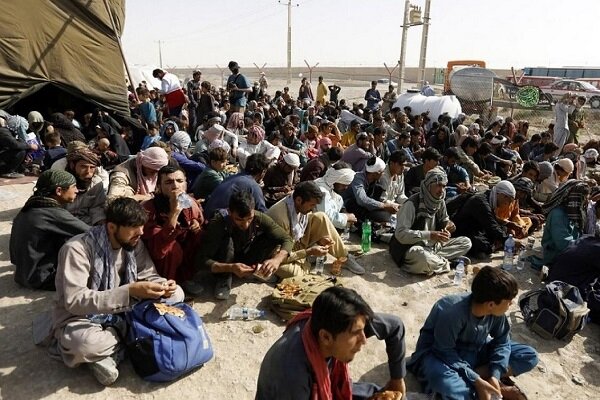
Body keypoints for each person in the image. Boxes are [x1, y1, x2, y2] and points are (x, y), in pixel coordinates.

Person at [49, 197, 184, 385]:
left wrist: (163, 286)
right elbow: (75, 301)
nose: (141, 232)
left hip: (126, 308)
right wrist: (128, 292)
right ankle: (133, 334)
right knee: (84, 345)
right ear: (112, 227)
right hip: (83, 316)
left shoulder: (134, 242)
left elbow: (148, 274)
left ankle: (115, 346)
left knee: (177, 294)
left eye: (141, 226)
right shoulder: (77, 249)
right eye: (134, 227)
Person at [407, 266, 538, 400]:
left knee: (528, 355)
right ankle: (487, 388)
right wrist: (476, 380)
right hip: (438, 356)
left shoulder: (495, 312)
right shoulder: (451, 311)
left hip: (474, 351)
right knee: (449, 387)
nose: (511, 303)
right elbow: (444, 351)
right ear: (491, 304)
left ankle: (483, 383)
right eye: (509, 301)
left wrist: (495, 374)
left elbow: (502, 342)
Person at [256, 286, 407, 400]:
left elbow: (395, 326)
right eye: (356, 334)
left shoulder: (346, 322)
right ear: (326, 337)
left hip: (329, 386)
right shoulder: (292, 374)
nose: (364, 340)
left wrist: (397, 379)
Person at [196, 190, 293, 300]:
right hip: (224, 260)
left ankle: (255, 271)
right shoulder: (218, 223)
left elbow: (286, 239)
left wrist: (277, 260)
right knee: (227, 243)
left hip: (243, 253)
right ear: (230, 212)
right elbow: (201, 261)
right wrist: (231, 268)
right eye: (239, 219)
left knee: (271, 237)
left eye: (249, 219)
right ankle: (224, 279)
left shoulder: (258, 217)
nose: (246, 225)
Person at [10, 170, 90, 290]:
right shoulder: (52, 213)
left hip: (23, 274)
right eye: (73, 187)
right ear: (59, 191)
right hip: (42, 278)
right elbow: (91, 232)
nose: (77, 191)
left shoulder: (33, 205)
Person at [267, 181, 365, 276]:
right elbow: (278, 256)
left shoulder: (298, 202)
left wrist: (320, 239)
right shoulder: (281, 218)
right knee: (288, 271)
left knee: (321, 217)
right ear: (299, 200)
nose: (313, 209)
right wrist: (308, 252)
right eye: (312, 205)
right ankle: (306, 260)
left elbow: (301, 226)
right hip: (277, 252)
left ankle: (344, 257)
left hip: (295, 242)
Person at [389, 167, 472, 275]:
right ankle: (449, 263)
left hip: (433, 245)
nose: (441, 190)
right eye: (438, 185)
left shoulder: (440, 201)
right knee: (422, 258)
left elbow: (445, 220)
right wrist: (430, 235)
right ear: (428, 185)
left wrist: (448, 227)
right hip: (412, 247)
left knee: (466, 242)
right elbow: (401, 234)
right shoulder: (411, 204)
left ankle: (435, 261)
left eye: (444, 186)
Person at [141, 166, 204, 290]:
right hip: (159, 258)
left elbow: (201, 219)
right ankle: (167, 285)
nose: (175, 186)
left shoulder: (189, 201)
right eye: (169, 182)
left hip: (184, 250)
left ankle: (185, 278)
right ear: (159, 187)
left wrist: (196, 223)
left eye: (180, 181)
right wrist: (174, 212)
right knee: (172, 249)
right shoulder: (149, 208)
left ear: (186, 184)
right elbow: (157, 247)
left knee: (199, 236)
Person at [530, 179, 590, 269]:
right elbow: (564, 244)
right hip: (556, 255)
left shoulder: (573, 213)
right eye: (583, 198)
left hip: (571, 251)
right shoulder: (558, 214)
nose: (586, 201)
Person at [453, 181, 517, 259]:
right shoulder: (480, 201)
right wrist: (509, 242)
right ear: (503, 196)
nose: (508, 204)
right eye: (509, 201)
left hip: (478, 227)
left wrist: (508, 224)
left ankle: (494, 245)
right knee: (481, 243)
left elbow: (491, 219)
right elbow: (491, 225)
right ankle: (492, 247)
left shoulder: (488, 197)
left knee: (503, 229)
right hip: (465, 230)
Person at [203, 153, 270, 218]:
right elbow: (263, 213)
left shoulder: (231, 177)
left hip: (207, 215)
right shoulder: (253, 186)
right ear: (263, 172)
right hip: (218, 220)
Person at [343, 157, 399, 225]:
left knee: (385, 214)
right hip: (350, 205)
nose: (383, 174)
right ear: (376, 173)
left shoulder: (375, 181)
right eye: (382, 172)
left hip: (365, 206)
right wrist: (384, 206)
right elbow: (362, 200)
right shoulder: (358, 178)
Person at [64, 148, 106, 225]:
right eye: (83, 167)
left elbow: (97, 207)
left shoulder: (96, 183)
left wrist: (101, 223)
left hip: (87, 222)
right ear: (72, 165)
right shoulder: (62, 182)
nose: (88, 172)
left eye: (92, 167)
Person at [314, 162, 357, 230]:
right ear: (335, 180)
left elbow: (338, 201)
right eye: (343, 185)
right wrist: (347, 217)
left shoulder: (326, 185)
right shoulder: (322, 191)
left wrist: (344, 213)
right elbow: (327, 217)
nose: (345, 188)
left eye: (347, 185)